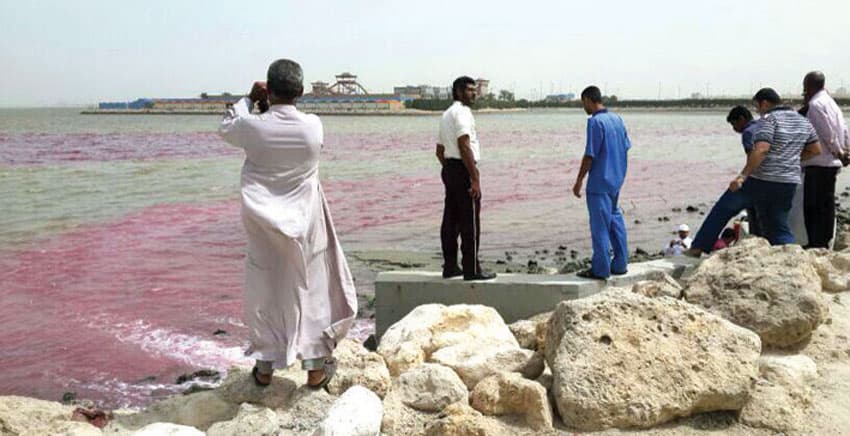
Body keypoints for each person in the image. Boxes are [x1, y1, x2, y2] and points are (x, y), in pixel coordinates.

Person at [219, 59, 357, 388]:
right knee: (311, 290)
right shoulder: (313, 126)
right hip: (305, 221)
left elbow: (226, 126)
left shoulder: (252, 127)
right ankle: (315, 370)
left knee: (264, 290)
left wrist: (250, 99)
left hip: (263, 223)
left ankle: (265, 367)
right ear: (302, 91)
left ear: (267, 87)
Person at [688, 89, 822, 255]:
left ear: (764, 103)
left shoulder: (768, 119)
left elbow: (761, 150)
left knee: (724, 207)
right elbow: (815, 149)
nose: (758, 111)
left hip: (761, 180)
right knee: (778, 224)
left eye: (757, 106)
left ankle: (699, 247)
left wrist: (742, 176)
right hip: (788, 182)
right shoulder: (803, 122)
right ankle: (791, 256)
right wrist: (788, 160)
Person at [436, 76, 497, 281]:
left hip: (450, 168)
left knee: (450, 221)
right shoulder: (462, 113)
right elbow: (464, 144)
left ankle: (450, 266)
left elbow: (439, 151)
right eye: (470, 90)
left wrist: (450, 171)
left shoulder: (446, 114)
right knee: (469, 221)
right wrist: (473, 177)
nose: (474, 93)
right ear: (459, 92)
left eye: (474, 89)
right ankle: (471, 269)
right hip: (462, 168)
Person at [572, 86, 630, 279]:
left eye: (583, 103)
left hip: (599, 182)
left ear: (588, 100)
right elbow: (626, 147)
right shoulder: (617, 120)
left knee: (600, 227)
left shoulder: (595, 123)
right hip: (616, 180)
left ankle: (601, 269)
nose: (584, 108)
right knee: (615, 221)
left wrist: (579, 180)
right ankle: (621, 264)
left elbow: (590, 155)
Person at [801, 71, 850, 248]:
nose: (804, 92)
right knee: (826, 204)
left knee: (814, 206)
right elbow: (843, 128)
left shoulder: (815, 104)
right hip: (830, 163)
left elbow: (826, 132)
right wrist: (845, 150)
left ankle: (817, 243)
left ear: (809, 86)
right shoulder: (831, 103)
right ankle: (824, 240)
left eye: (805, 87)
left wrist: (839, 152)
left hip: (818, 162)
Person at [726, 105, 762, 237]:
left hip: (758, 178)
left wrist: (743, 178)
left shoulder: (748, 133)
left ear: (742, 119)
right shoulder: (762, 125)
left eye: (734, 124)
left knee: (754, 212)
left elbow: (752, 158)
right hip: (776, 176)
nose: (734, 129)